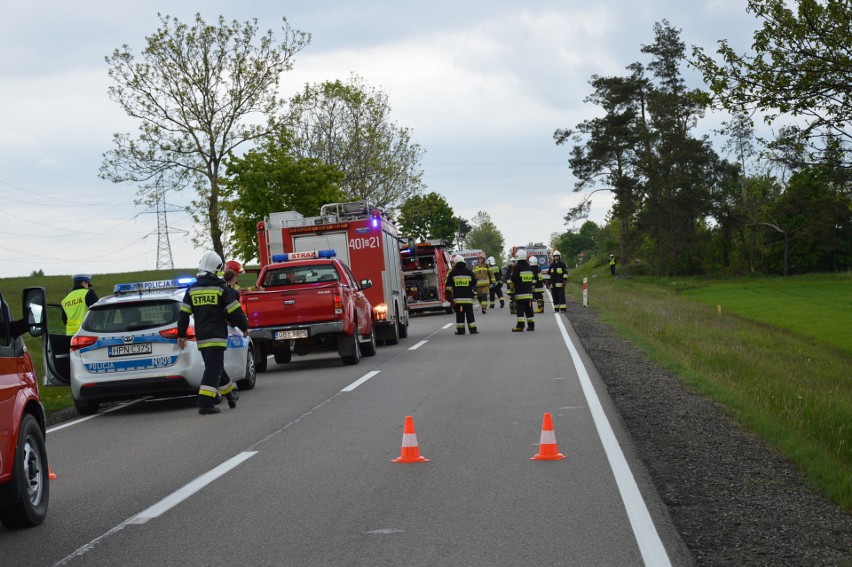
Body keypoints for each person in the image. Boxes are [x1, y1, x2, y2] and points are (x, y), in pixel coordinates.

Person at [178, 251, 249, 415]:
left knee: (215, 367)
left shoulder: (192, 289)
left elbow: (183, 314)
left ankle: (231, 395)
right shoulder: (221, 289)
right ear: (217, 268)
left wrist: (181, 335)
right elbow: (235, 312)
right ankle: (205, 403)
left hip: (202, 337)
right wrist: (244, 326)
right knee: (213, 369)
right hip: (217, 336)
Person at [445, 254, 478, 335]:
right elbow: (474, 282)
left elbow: (448, 287)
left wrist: (450, 299)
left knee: (460, 315)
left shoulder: (452, 273)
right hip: (468, 299)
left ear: (455, 263)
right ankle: (473, 330)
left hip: (458, 300)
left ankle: (460, 331)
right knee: (470, 314)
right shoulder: (469, 272)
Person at [510, 249, 538, 332]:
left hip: (520, 293)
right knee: (529, 310)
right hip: (529, 293)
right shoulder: (529, 267)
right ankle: (531, 326)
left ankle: (520, 326)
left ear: (517, 257)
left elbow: (514, 278)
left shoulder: (517, 267)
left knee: (520, 310)